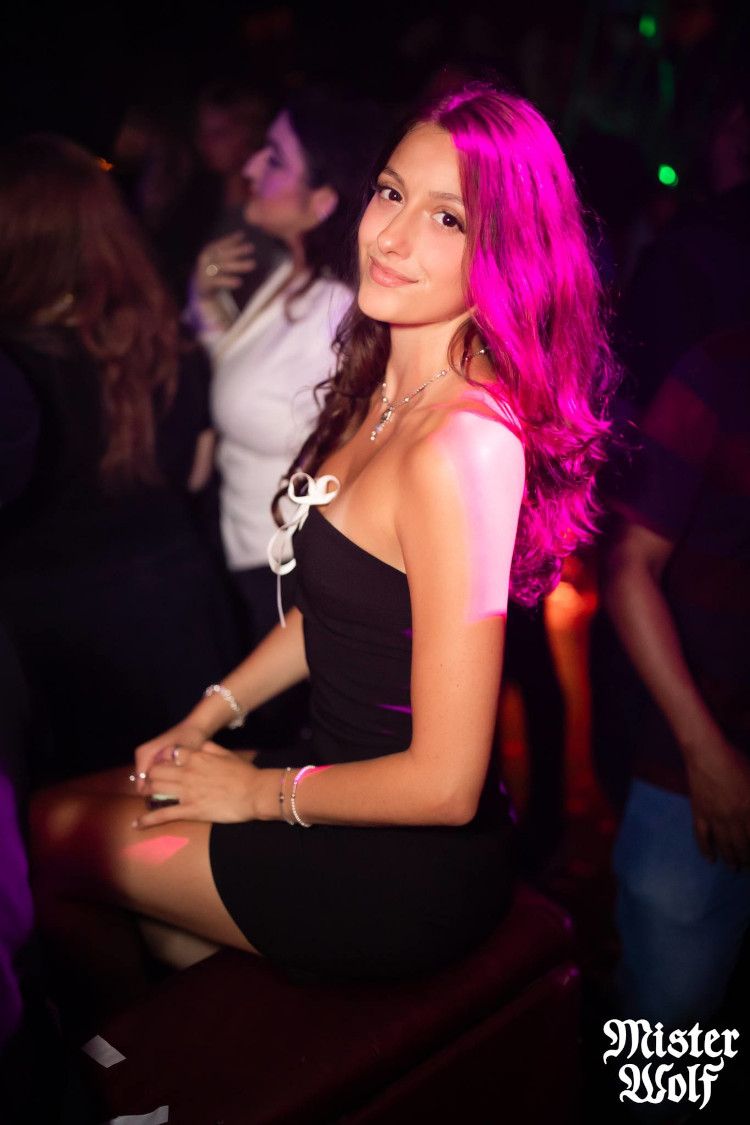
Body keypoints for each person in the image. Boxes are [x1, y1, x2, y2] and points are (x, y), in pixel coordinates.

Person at [31, 84, 616, 1003]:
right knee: (61, 810)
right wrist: (207, 715)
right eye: (391, 193)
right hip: (334, 780)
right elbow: (334, 613)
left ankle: (137, 1061)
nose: (391, 237)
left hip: (405, 863)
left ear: (506, 253)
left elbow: (447, 785)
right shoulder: (382, 380)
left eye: (447, 218)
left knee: (55, 832)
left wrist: (257, 794)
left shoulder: (464, 445)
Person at [0, 135, 242, 783]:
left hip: (59, 640)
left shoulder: (16, 363)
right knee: (179, 810)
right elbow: (194, 471)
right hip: (174, 612)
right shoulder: (156, 334)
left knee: (80, 826)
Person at [187, 90, 386, 713]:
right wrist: (204, 304)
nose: (251, 167)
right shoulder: (290, 274)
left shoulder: (340, 315)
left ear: (322, 200)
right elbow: (243, 379)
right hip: (249, 556)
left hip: (287, 579)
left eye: (273, 159)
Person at [603, 328, 750, 1037]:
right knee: (668, 1024)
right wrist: (705, 754)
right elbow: (630, 565)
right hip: (697, 759)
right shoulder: (717, 374)